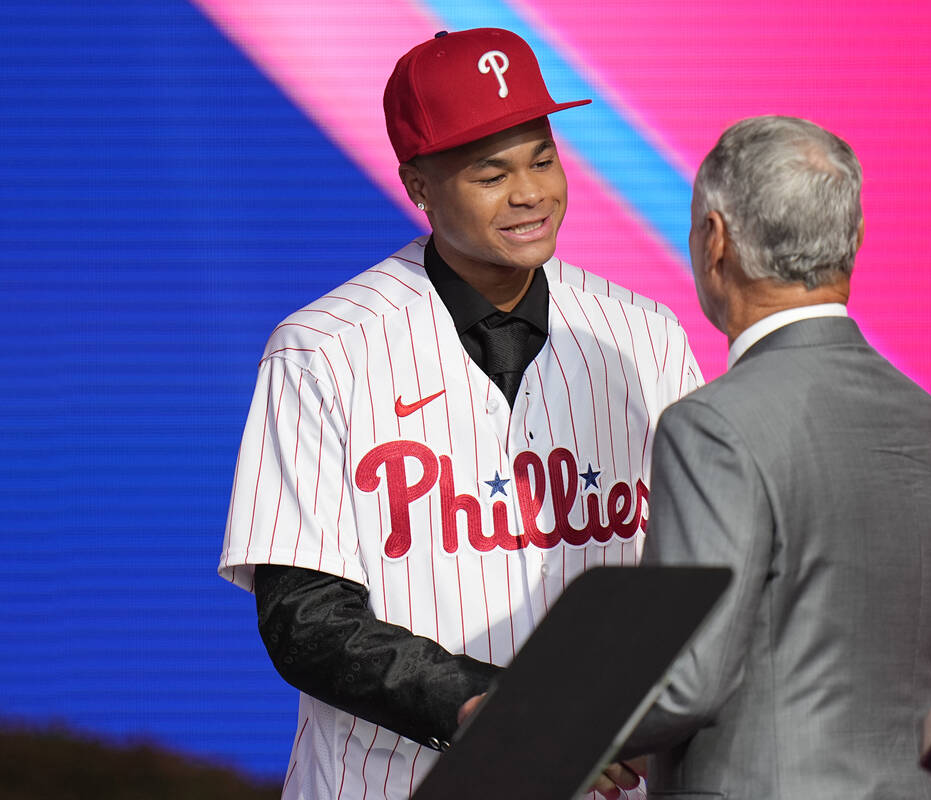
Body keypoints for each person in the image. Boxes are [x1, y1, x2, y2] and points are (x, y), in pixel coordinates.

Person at [218, 28, 701, 800]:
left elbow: (699, 573)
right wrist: (479, 701)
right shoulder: (323, 350)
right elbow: (305, 618)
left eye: (542, 158)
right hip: (392, 782)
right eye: (490, 172)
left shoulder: (645, 335)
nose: (531, 193)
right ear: (417, 183)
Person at [617, 116, 931, 798]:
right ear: (856, 241)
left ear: (714, 240)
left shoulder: (712, 425)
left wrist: (543, 726)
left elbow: (686, 677)